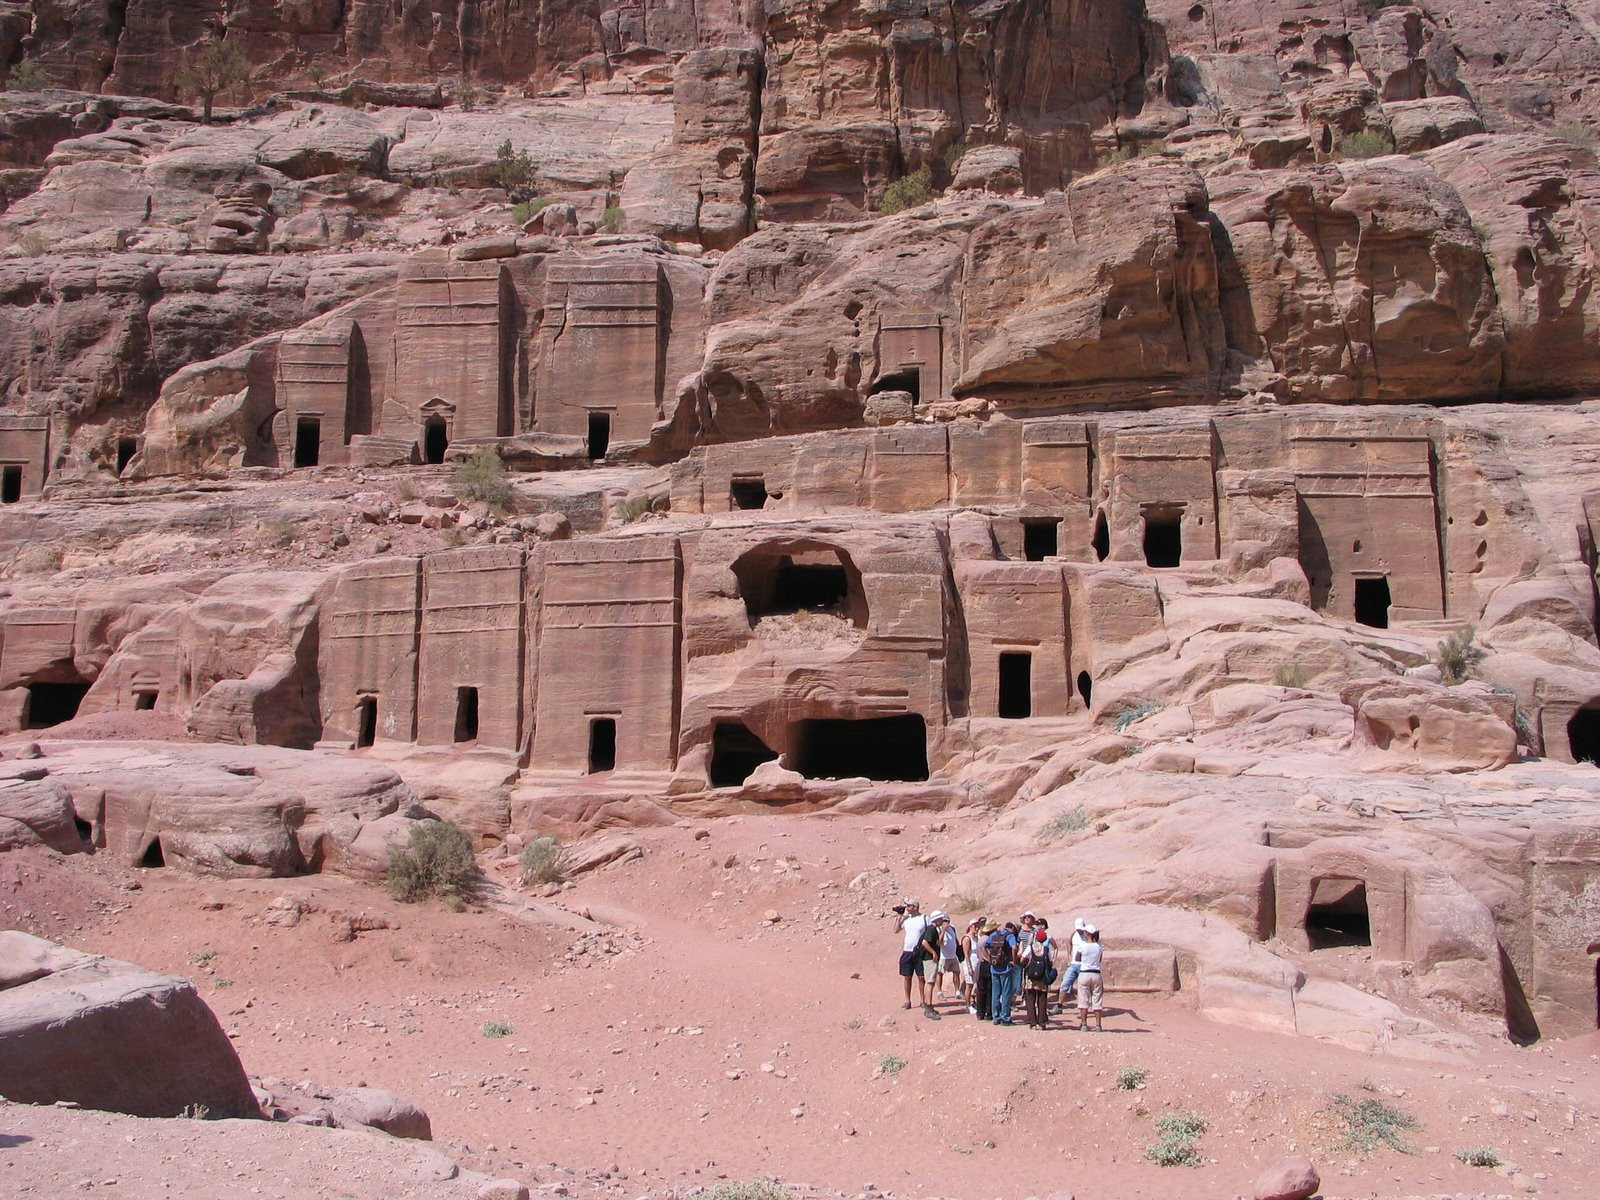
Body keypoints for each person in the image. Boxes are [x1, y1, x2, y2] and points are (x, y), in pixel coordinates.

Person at [895, 899, 929, 1011]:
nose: (907, 908)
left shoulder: (924, 918)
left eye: (909, 906)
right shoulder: (906, 919)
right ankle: (907, 1001)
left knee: (921, 977)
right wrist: (899, 916)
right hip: (907, 951)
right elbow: (896, 930)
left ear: (915, 907)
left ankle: (923, 1000)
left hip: (920, 952)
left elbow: (930, 933)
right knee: (907, 977)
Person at [1020, 926, 1054, 1028]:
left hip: (1030, 977)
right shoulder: (1047, 949)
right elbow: (1050, 962)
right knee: (1042, 999)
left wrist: (1026, 966)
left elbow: (1022, 959)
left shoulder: (1030, 948)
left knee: (1030, 999)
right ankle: (1042, 1022)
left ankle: (1032, 1022)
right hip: (1042, 977)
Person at [916, 911, 948, 1017]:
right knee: (930, 983)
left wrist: (943, 931)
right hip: (930, 959)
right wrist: (933, 952)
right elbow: (925, 942)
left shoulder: (935, 930)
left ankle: (928, 1006)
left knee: (930, 983)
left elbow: (938, 943)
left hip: (930, 959)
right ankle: (928, 1007)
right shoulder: (931, 929)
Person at [988, 920, 1019, 1026]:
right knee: (1006, 993)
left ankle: (996, 1017)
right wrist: (1014, 962)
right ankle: (1005, 1018)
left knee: (995, 994)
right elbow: (1014, 948)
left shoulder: (993, 934)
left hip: (994, 967)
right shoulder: (1009, 936)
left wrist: (989, 958)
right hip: (1005, 968)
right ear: (1013, 929)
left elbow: (984, 945)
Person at [1074, 924, 1105, 1032]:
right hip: (1096, 973)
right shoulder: (1099, 946)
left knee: (1083, 1000)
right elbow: (1100, 960)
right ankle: (1098, 1025)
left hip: (1084, 973)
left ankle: (1084, 1024)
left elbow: (1077, 958)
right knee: (1097, 1000)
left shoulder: (1083, 946)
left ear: (1087, 933)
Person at [1055, 917, 1088, 1014]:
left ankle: (1083, 1009)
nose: (1079, 931)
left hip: (1084, 966)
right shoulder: (1074, 934)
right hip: (1073, 964)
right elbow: (1069, 943)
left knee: (1083, 988)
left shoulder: (1088, 935)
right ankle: (1059, 1006)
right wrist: (1069, 956)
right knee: (1065, 984)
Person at [935, 911, 962, 1000]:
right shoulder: (938, 929)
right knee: (940, 973)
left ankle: (957, 991)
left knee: (956, 972)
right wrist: (943, 930)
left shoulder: (952, 928)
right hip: (943, 956)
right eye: (944, 921)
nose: (946, 923)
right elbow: (938, 942)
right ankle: (939, 992)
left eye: (947, 921)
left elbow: (955, 939)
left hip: (953, 955)